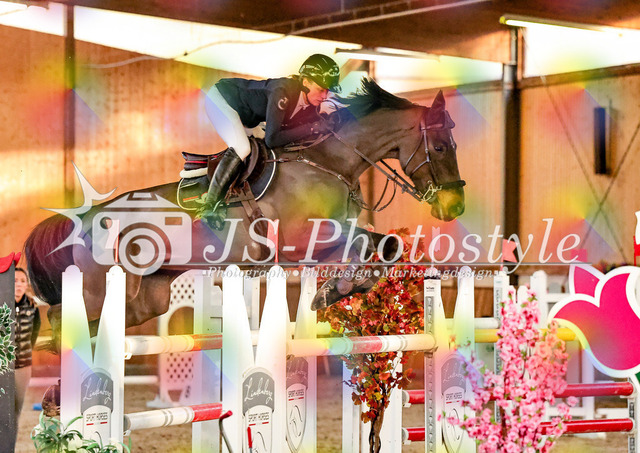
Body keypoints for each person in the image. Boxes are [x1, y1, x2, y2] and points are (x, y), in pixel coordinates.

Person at [197, 53, 342, 229]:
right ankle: (210, 206)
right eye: (321, 89)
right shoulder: (282, 92)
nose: (325, 96)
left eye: (328, 91)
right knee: (242, 148)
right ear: (305, 82)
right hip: (221, 99)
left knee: (258, 147)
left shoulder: (310, 104)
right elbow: (273, 139)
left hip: (248, 117)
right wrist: (311, 128)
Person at [13, 267, 40, 441]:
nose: (19, 284)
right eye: (14, 280)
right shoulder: (2, 305)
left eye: (22, 281)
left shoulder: (32, 306)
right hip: (3, 366)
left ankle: (10, 443)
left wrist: (25, 352)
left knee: (17, 407)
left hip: (23, 366)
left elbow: (34, 334)